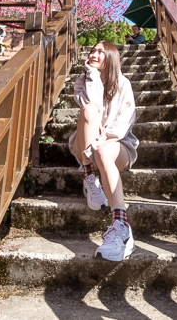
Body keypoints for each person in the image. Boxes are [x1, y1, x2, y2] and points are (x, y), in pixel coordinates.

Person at [68, 41, 139, 261]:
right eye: (92, 51)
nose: (93, 54)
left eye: (100, 51)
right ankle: (90, 178)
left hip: (118, 145)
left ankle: (121, 226)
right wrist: (92, 75)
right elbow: (94, 106)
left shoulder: (123, 84)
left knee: (103, 152)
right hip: (85, 146)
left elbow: (124, 122)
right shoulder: (83, 82)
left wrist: (101, 142)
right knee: (88, 110)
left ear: (111, 57)